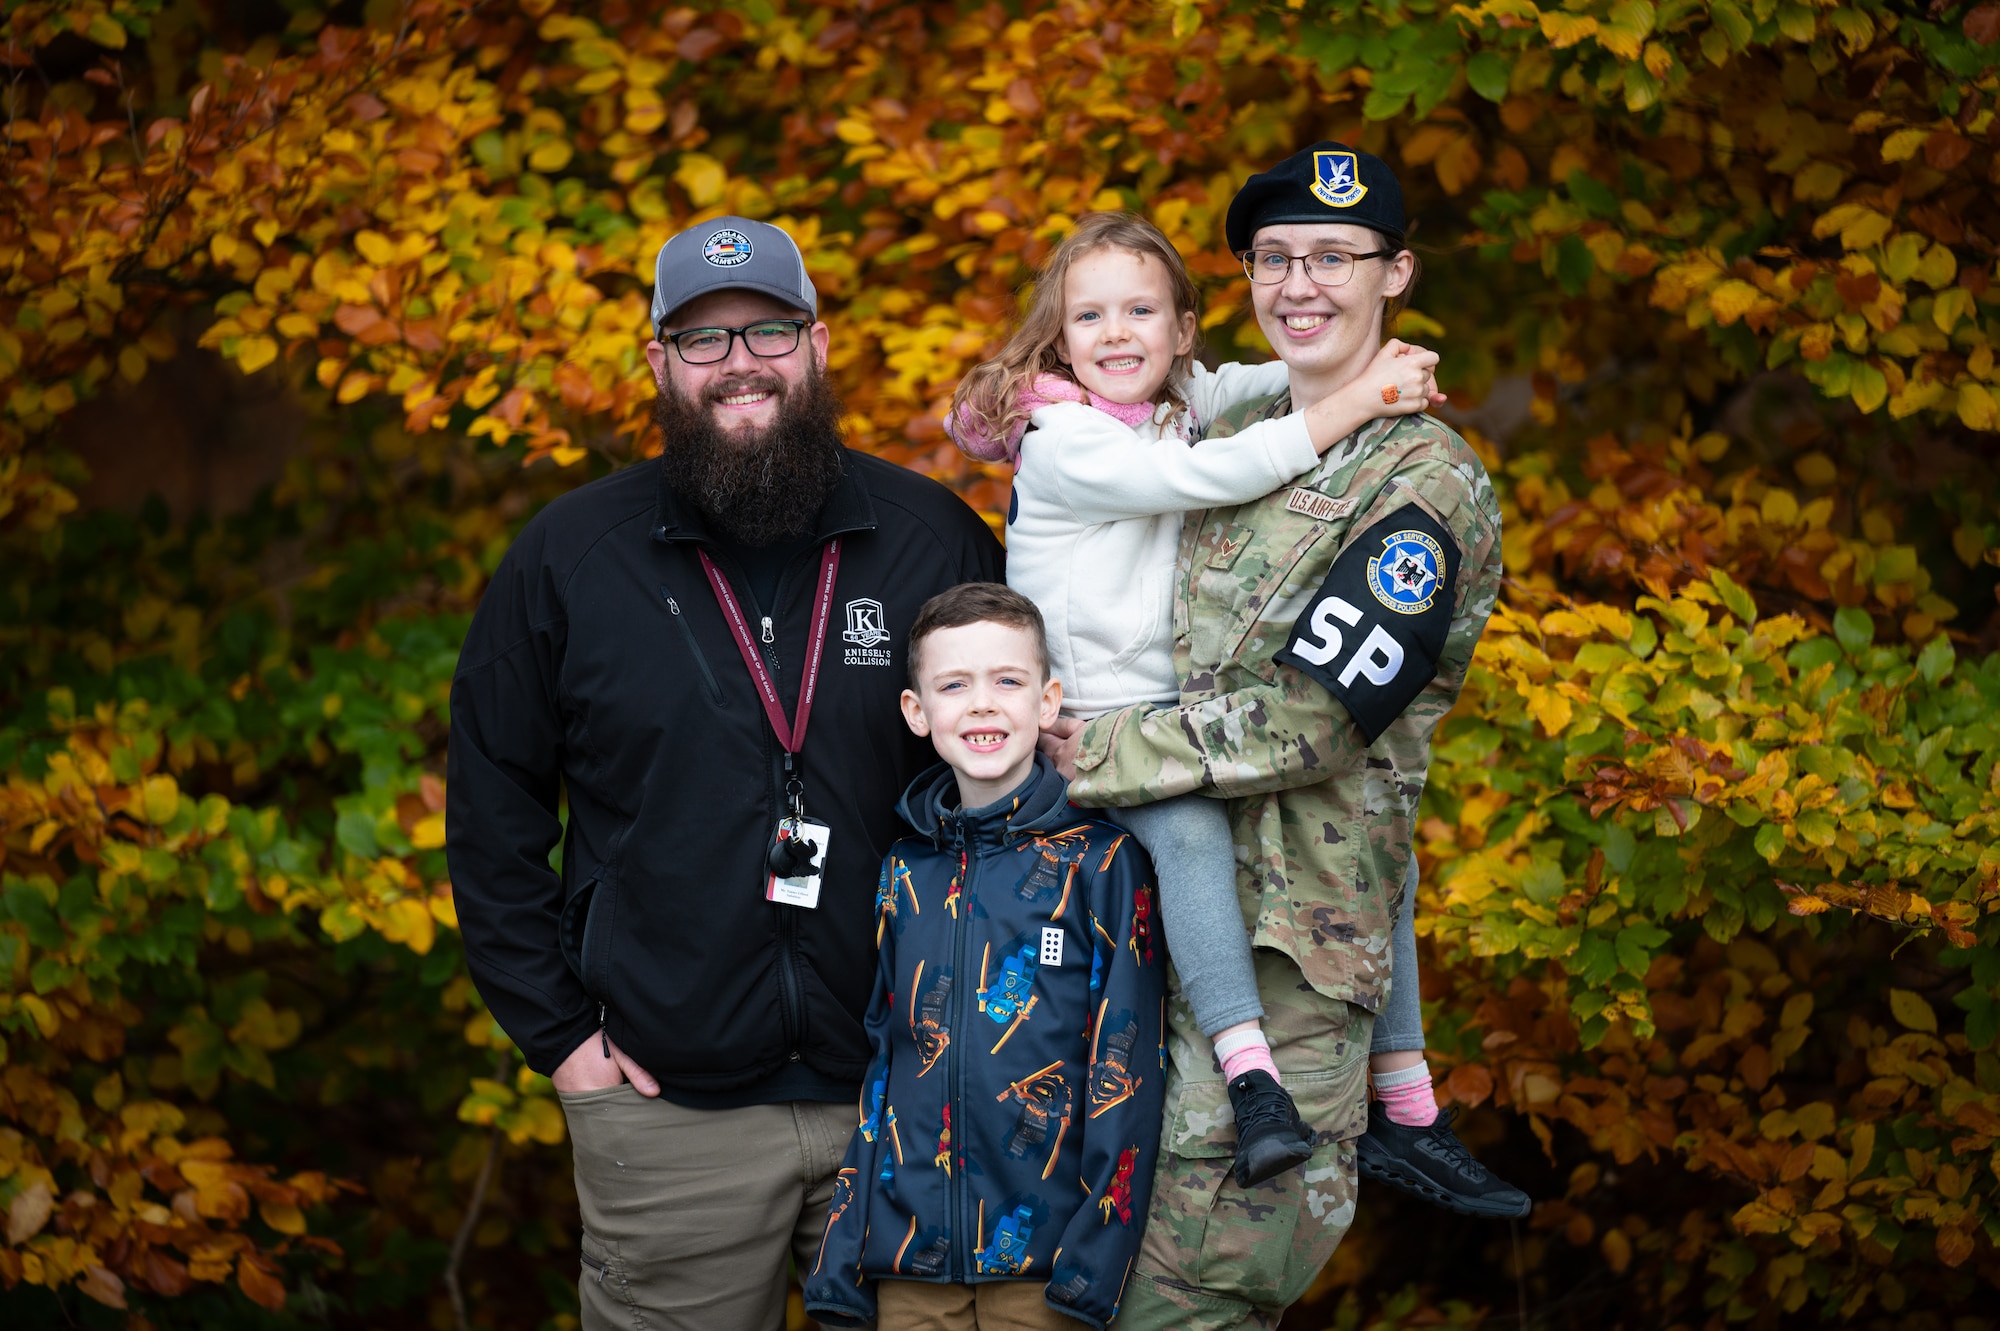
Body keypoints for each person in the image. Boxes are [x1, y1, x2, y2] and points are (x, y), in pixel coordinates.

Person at [446, 215, 1003, 1330]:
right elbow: (491, 808)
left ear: (819, 344)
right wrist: (560, 1040)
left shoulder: (930, 538)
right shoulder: (568, 557)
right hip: (666, 1115)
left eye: (768, 330)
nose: (739, 361)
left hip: (913, 1095)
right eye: (701, 339)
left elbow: (1021, 791)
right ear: (656, 362)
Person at [1042, 144, 1531, 1329]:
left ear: (1394, 273)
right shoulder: (1244, 412)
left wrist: (1087, 757)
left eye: (1331, 256)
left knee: (1193, 1292)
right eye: (1272, 258)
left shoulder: (1420, 480)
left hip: (1288, 946)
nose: (1298, 283)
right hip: (1133, 915)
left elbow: (1311, 718)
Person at [944, 211, 1445, 1188]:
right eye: (1089, 316)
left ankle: (1409, 1099)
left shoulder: (1176, 395)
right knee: (1186, 834)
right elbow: (1208, 475)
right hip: (1098, 725)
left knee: (1365, 816)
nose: (1117, 332)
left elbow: (1269, 377)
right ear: (1059, 339)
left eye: (1141, 309)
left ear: (1181, 330)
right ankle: (1250, 1075)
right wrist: (1359, 399)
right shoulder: (1067, 439)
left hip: (1187, 714)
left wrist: (1362, 353)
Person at [803, 583, 1165, 1331]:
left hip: (1045, 1265)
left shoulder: (1102, 862)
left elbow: (1124, 1074)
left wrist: (1092, 1265)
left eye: (1007, 681)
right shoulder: (906, 869)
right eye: (954, 685)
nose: (982, 705)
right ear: (917, 711)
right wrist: (845, 1254)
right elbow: (886, 1066)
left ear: (1047, 699)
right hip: (910, 1261)